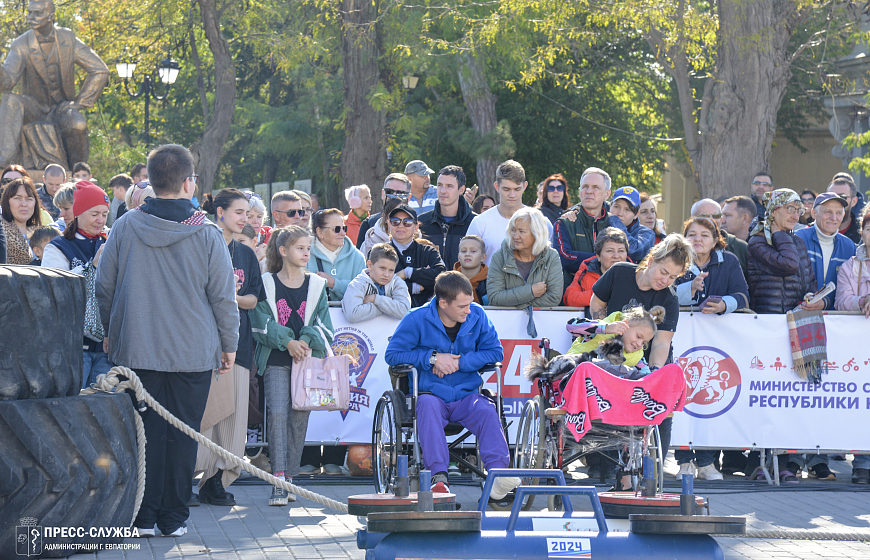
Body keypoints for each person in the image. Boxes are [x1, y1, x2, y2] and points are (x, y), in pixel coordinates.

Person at [96, 144, 239, 537]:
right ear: (189, 182)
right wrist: (230, 344)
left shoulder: (125, 225)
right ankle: (173, 518)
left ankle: (142, 516)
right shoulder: (207, 233)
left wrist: (111, 330)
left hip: (137, 345)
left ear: (151, 180)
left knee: (143, 433)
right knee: (182, 434)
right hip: (192, 350)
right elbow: (222, 297)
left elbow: (103, 286)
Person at [384, 271, 519, 499]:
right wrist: (433, 358)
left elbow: (495, 352)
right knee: (426, 406)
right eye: (462, 306)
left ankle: (498, 475)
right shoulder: (416, 318)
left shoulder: (478, 315)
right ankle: (439, 478)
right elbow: (393, 355)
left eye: (470, 303)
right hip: (431, 394)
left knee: (487, 409)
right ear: (443, 302)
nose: (469, 310)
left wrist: (460, 363)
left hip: (467, 395)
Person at [590, 234, 694, 466]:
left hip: (644, 360)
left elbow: (660, 342)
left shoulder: (669, 299)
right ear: (651, 261)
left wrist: (654, 372)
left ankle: (653, 468)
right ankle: (602, 464)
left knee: (660, 406)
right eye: (663, 272)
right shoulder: (619, 273)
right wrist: (603, 330)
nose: (665, 280)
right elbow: (597, 303)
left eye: (673, 277)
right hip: (612, 354)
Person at [250, 226, 334, 504]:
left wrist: (305, 342)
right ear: (283, 251)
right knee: (276, 415)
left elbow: (325, 325)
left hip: (306, 363)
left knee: (299, 418)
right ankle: (278, 479)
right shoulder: (267, 282)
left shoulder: (317, 285)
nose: (306, 253)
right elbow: (259, 322)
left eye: (308, 248)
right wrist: (287, 342)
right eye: (300, 248)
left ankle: (291, 480)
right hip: (276, 360)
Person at [195, 189, 266, 506]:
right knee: (203, 416)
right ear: (220, 212)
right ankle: (188, 478)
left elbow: (252, 299)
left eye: (247, 213)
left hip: (238, 345)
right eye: (239, 212)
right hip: (202, 345)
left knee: (232, 421)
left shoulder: (246, 253)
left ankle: (217, 481)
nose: (245, 219)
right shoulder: (198, 245)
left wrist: (230, 297)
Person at [745, 189, 816, 484]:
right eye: (788, 208)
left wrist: (813, 295)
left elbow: (806, 277)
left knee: (788, 396)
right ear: (773, 211)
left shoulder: (796, 241)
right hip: (768, 327)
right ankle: (760, 461)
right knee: (766, 396)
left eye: (798, 209)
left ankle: (784, 462)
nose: (795, 214)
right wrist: (780, 234)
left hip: (794, 326)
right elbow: (787, 264)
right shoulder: (758, 241)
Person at [0, 0, 109, 169]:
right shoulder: (20, 44)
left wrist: (78, 104)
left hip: (62, 108)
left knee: (78, 124)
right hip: (34, 108)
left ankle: (77, 171)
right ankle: (5, 160)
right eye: (29, 13)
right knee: (10, 99)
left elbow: (100, 70)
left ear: (51, 16)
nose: (31, 17)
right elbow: (7, 83)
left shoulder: (68, 38)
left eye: (37, 13)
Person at [42, 181, 111, 382]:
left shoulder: (110, 241)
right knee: (73, 406)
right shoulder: (57, 247)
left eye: (104, 214)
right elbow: (55, 292)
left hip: (108, 346)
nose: (100, 220)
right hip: (73, 346)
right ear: (79, 212)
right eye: (94, 214)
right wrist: (92, 266)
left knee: (105, 407)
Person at [834, 207, 870, 485]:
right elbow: (842, 300)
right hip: (860, 349)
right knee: (862, 406)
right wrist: (862, 302)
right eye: (869, 229)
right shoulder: (850, 266)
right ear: (862, 232)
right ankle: (862, 463)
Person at [467, 160, 552, 266]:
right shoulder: (480, 223)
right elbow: (468, 265)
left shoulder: (541, 222)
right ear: (497, 187)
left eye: (517, 189)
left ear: (524, 186)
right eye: (506, 189)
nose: (512, 195)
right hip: (489, 282)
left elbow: (550, 265)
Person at [487, 207, 563, 309]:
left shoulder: (551, 257)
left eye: (521, 231)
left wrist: (513, 302)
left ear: (537, 233)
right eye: (513, 230)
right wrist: (530, 291)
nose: (515, 236)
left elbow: (554, 298)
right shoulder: (499, 256)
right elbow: (494, 297)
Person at [553, 167, 611, 292]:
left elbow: (625, 258)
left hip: (609, 297)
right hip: (571, 302)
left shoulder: (615, 224)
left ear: (607, 194)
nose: (589, 191)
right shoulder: (564, 223)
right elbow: (565, 259)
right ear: (579, 191)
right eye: (585, 186)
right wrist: (604, 259)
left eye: (596, 187)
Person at [795, 192, 856, 310]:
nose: (833, 218)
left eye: (838, 213)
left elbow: (849, 288)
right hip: (799, 314)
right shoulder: (798, 239)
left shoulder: (850, 247)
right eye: (828, 212)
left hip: (835, 320)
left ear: (843, 215)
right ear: (814, 213)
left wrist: (825, 302)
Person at [675, 218, 749, 313]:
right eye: (692, 235)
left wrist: (724, 305)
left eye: (705, 235)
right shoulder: (675, 260)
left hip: (719, 325)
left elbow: (742, 296)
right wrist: (691, 287)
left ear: (714, 242)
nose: (697, 239)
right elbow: (665, 296)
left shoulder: (729, 261)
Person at [418, 165, 477, 270]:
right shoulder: (422, 222)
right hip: (430, 285)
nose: (443, 191)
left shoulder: (475, 223)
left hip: (464, 285)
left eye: (449, 186)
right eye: (440, 185)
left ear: (461, 190)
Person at [388, 204, 447, 307]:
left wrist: (407, 273)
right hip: (388, 315)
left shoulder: (428, 251)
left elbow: (442, 278)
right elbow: (378, 284)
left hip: (425, 314)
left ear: (416, 227)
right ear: (389, 225)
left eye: (407, 222)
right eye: (395, 221)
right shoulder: (379, 252)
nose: (400, 225)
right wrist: (415, 287)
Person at [307, 208, 367, 302]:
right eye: (337, 229)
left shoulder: (358, 257)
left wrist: (334, 284)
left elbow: (364, 291)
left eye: (344, 228)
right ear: (320, 232)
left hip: (349, 316)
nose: (343, 233)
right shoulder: (304, 255)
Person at [342, 243, 411, 322]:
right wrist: (390, 307)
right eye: (382, 268)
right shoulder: (357, 284)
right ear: (370, 265)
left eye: (391, 270)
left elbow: (404, 311)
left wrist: (375, 299)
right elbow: (353, 314)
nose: (386, 274)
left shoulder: (397, 283)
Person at [563, 227, 628, 309]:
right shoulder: (587, 269)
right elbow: (569, 298)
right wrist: (602, 294)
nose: (616, 256)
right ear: (598, 256)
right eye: (610, 251)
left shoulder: (636, 273)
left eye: (621, 251)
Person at [691, 198, 748, 276]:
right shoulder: (681, 248)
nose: (711, 219)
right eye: (704, 215)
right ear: (692, 220)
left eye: (716, 215)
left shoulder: (741, 248)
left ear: (721, 220)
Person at [356, 173, 411, 248]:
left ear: (409, 197)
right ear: (383, 194)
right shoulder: (368, 224)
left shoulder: (417, 224)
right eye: (389, 192)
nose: (393, 196)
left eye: (400, 193)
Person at [0, 176, 42, 264]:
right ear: (7, 202)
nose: (24, 204)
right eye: (17, 198)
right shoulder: (2, 231)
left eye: (29, 199)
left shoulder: (40, 233)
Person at [607, 186, 654, 263]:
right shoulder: (600, 225)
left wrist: (615, 221)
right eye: (616, 207)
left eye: (627, 209)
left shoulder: (647, 233)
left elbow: (633, 250)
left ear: (636, 214)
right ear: (610, 207)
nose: (620, 213)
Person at [454, 235, 489, 305]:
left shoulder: (492, 282)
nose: (467, 254)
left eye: (473, 251)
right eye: (463, 251)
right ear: (458, 257)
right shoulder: (447, 281)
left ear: (483, 257)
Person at [828, 177, 862, 244]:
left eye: (842, 197)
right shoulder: (814, 229)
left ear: (854, 201)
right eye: (831, 197)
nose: (836, 201)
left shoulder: (862, 231)